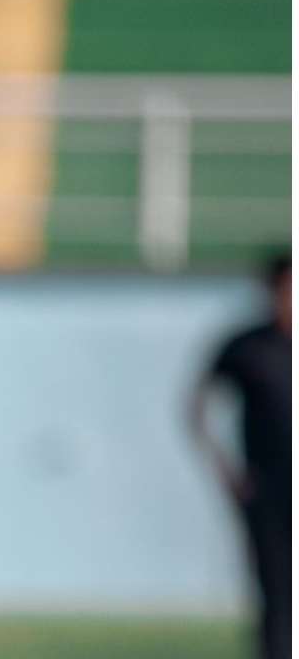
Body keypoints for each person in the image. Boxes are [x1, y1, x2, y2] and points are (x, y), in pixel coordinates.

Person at [189, 251, 291, 659]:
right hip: (267, 488)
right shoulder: (249, 346)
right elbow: (197, 405)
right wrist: (225, 470)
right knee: (277, 588)